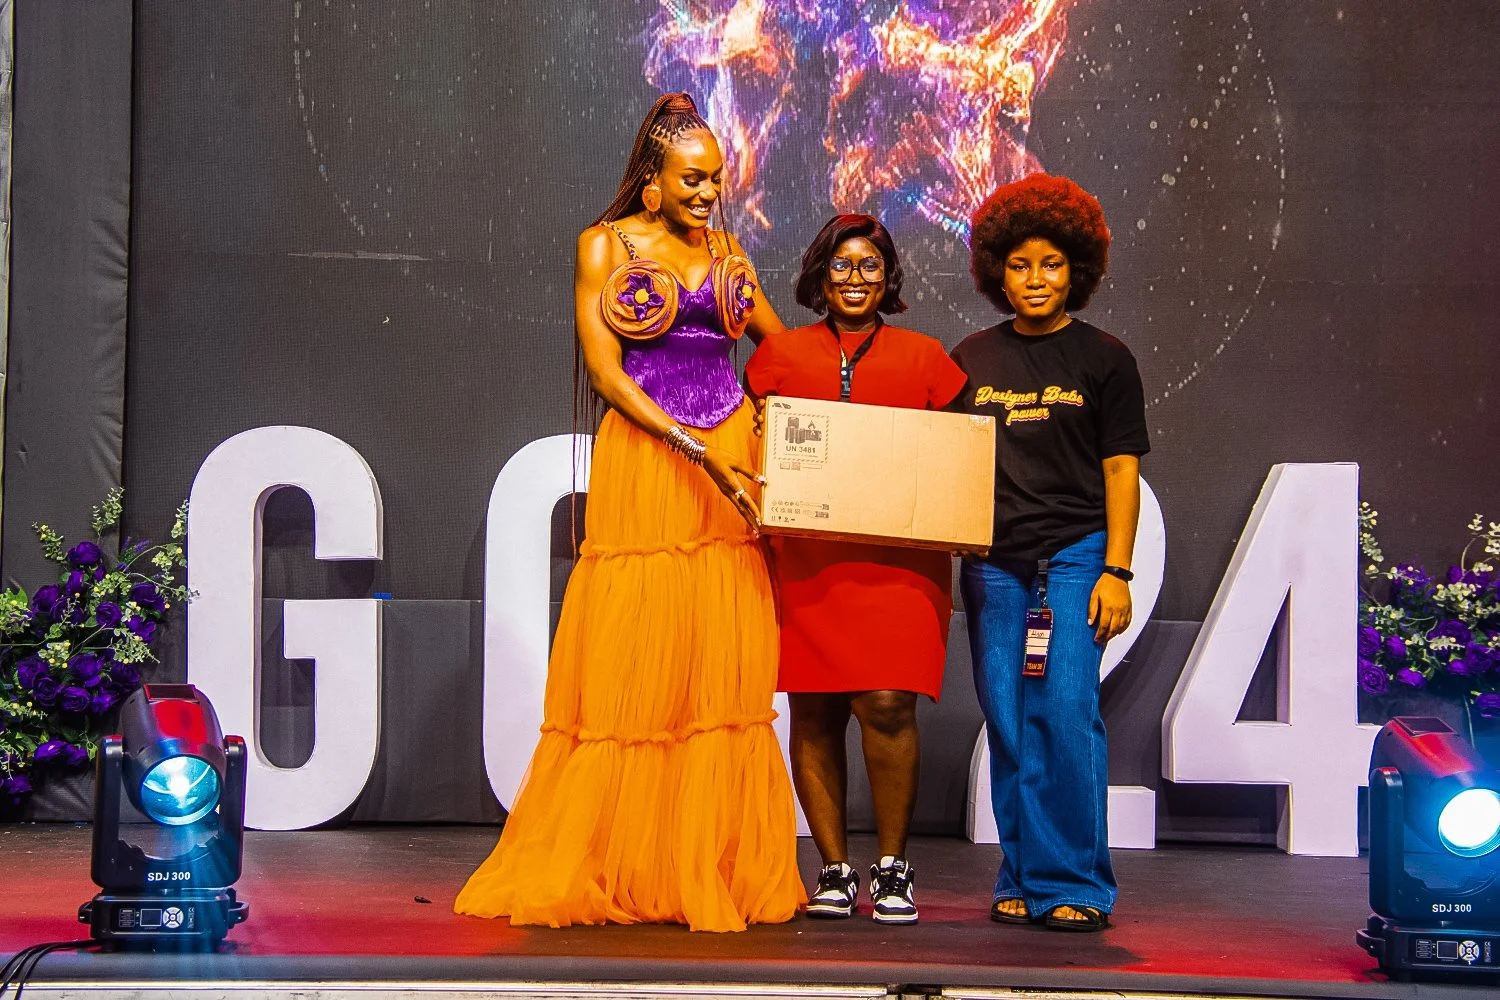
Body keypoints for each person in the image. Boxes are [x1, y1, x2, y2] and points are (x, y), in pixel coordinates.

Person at [455, 93, 804, 933]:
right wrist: (694, 450)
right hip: (653, 459)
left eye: (716, 178)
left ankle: (702, 861)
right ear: (652, 179)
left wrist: (775, 415)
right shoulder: (603, 246)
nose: (708, 193)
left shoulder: (727, 251)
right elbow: (607, 373)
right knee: (641, 662)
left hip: (729, 455)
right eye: (692, 179)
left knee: (715, 667)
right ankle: (623, 858)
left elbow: (781, 348)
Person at [744, 215, 967, 925]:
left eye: (870, 265)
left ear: (888, 277)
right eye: (841, 265)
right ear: (819, 275)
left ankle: (894, 867)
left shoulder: (927, 358)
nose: (855, 278)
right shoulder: (778, 355)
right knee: (813, 709)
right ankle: (834, 870)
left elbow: (960, 454)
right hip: (809, 563)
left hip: (900, 565)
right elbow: (749, 442)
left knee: (889, 704)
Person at [949, 174, 1149, 933]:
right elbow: (948, 463)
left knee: (1065, 715)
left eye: (1052, 264)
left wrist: (1116, 571)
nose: (1036, 279)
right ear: (997, 272)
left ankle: (1077, 883)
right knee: (1008, 720)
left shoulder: (1106, 358)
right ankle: (1024, 873)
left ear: (1077, 271)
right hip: (994, 566)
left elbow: (1121, 471)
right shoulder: (970, 358)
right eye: (1021, 264)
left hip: (1076, 556)